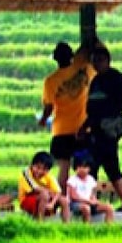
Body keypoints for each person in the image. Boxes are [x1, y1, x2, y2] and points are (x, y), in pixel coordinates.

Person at [78, 45, 122, 212]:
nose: (96, 64)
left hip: (109, 130)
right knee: (97, 165)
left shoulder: (117, 79)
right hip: (96, 129)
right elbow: (93, 110)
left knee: (108, 165)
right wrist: (84, 127)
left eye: (99, 60)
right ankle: (94, 201)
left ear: (107, 60)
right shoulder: (96, 81)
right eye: (94, 61)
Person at [39, 40, 96, 189]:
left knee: (63, 167)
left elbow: (49, 107)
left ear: (56, 59)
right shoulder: (86, 70)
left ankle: (63, 199)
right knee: (84, 166)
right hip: (83, 128)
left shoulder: (51, 81)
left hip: (62, 129)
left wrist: (44, 119)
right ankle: (85, 197)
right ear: (71, 56)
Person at [17, 151, 70, 222]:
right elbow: (35, 189)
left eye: (44, 169)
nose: (40, 171)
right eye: (38, 167)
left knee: (64, 200)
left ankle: (67, 225)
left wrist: (52, 203)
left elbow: (57, 192)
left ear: (48, 170)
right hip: (27, 202)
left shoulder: (49, 176)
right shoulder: (26, 175)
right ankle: (40, 221)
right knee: (44, 194)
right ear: (32, 165)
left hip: (45, 202)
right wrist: (50, 192)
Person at [66, 154, 114, 223]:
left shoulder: (91, 179)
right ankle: (87, 228)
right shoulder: (72, 180)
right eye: (79, 167)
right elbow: (74, 196)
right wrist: (88, 201)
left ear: (89, 168)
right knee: (86, 208)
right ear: (75, 168)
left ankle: (109, 227)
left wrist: (95, 201)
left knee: (109, 207)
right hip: (76, 204)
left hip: (90, 203)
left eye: (85, 167)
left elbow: (92, 194)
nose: (82, 169)